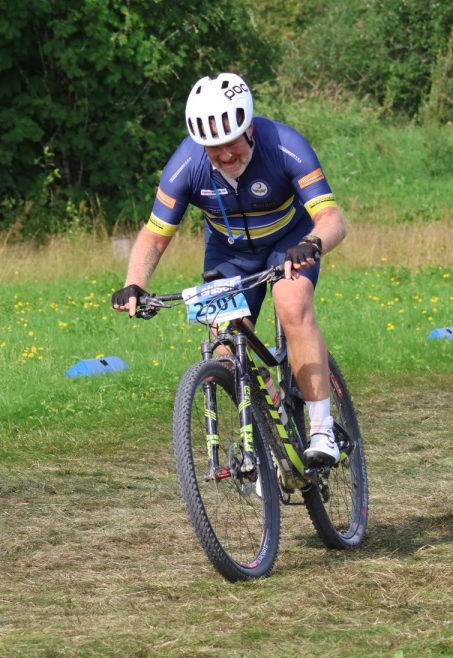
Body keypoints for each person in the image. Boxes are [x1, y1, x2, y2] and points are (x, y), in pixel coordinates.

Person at [111, 72, 347, 467]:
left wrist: (313, 242)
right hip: (229, 254)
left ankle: (322, 430)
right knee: (224, 346)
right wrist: (134, 283)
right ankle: (263, 441)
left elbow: (332, 218)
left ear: (249, 128)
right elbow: (154, 236)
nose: (224, 155)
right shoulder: (186, 164)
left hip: (289, 243)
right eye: (213, 147)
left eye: (231, 142)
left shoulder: (284, 145)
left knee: (292, 304)